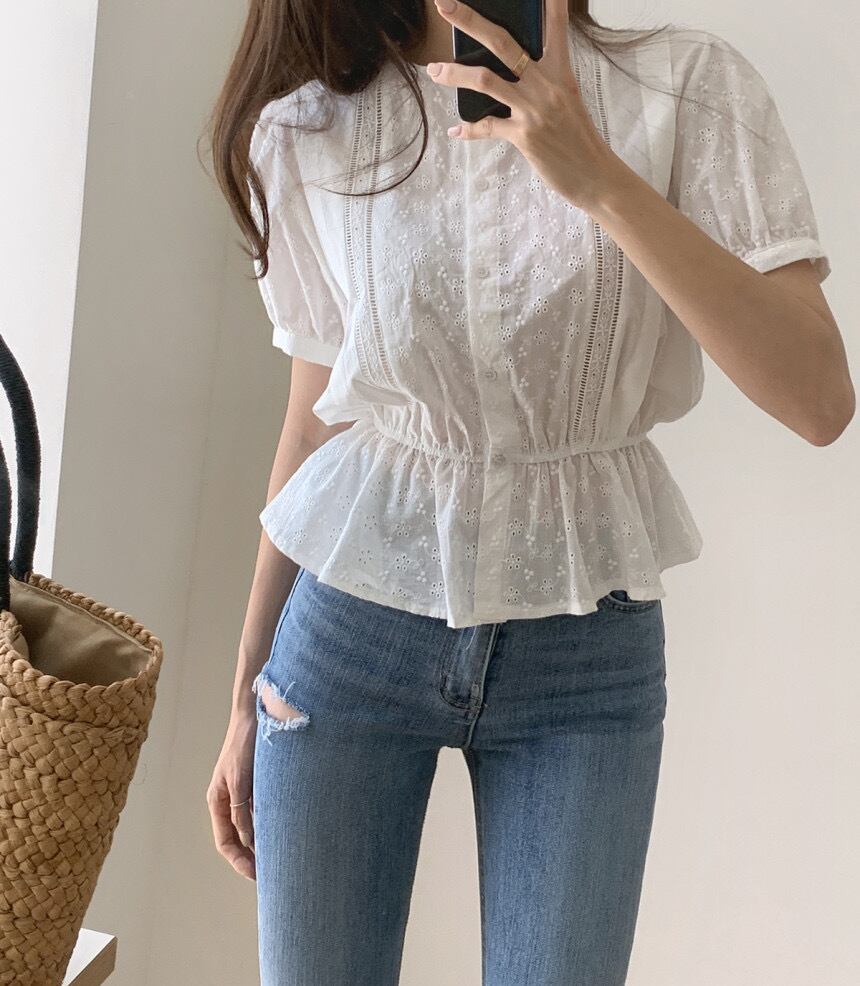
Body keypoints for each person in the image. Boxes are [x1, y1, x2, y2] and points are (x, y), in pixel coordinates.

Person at [206, 1, 854, 982]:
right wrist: (246, 690)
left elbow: (817, 398)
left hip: (584, 658)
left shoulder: (685, 89)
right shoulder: (314, 125)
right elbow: (317, 417)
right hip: (348, 640)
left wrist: (598, 179)